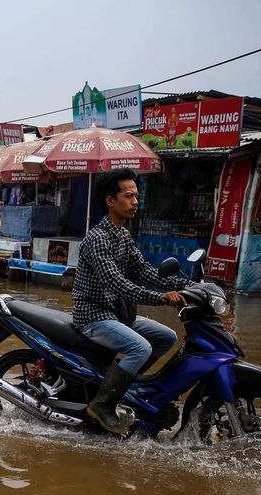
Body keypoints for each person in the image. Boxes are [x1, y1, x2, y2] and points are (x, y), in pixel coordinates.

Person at [73, 169, 188, 434]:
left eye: (136, 196)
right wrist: (158, 298)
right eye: (129, 196)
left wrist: (187, 286)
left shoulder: (123, 235)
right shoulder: (97, 238)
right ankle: (102, 404)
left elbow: (144, 271)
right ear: (110, 201)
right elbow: (116, 282)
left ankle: (126, 387)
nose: (135, 201)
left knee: (167, 337)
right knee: (140, 348)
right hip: (94, 315)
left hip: (117, 314)